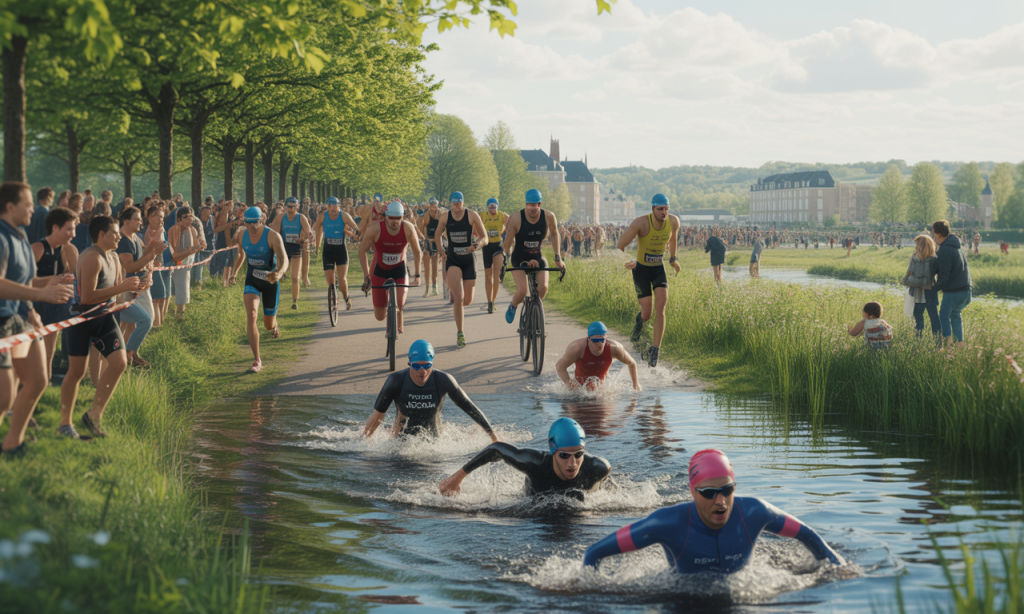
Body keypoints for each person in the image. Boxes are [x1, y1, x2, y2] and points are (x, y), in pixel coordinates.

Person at [583, 449, 844, 573]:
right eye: (709, 493)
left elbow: (807, 534)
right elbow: (595, 552)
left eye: (728, 490)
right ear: (692, 492)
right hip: (684, 603)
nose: (721, 502)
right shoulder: (667, 523)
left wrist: (838, 566)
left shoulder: (755, 512)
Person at [0, 182, 75, 454]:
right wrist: (41, 294)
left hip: (20, 318)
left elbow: (25, 279)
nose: (34, 208)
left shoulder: (19, 235)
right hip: (2, 323)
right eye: (28, 204)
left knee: (38, 381)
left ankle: (12, 444)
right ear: (11, 207)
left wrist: (34, 303)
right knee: (4, 398)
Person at [59, 215, 143, 439]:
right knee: (77, 372)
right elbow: (87, 297)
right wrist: (121, 288)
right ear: (101, 234)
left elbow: (116, 289)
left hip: (105, 317)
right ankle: (65, 424)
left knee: (119, 363)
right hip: (82, 320)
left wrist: (136, 287)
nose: (118, 237)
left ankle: (94, 414)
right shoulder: (91, 257)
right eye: (115, 233)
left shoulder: (113, 257)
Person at [439, 417, 610, 502]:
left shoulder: (597, 468)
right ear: (553, 450)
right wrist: (456, 479)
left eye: (578, 454)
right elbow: (496, 449)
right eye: (564, 456)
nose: (572, 464)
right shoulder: (534, 463)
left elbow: (608, 486)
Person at [361, 340, 498, 440]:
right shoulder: (396, 381)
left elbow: (470, 408)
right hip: (402, 441)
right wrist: (363, 441)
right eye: (416, 366)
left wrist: (493, 437)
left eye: (427, 365)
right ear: (409, 364)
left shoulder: (444, 380)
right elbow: (377, 416)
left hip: (436, 440)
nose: (422, 371)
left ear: (432, 363)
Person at [616, 193, 681, 368]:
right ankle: (638, 326)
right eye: (660, 209)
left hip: (658, 269)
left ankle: (655, 349)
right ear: (653, 209)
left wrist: (673, 259)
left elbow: (673, 238)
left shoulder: (674, 221)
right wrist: (630, 260)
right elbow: (621, 245)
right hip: (641, 270)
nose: (664, 212)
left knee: (662, 306)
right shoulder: (640, 223)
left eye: (666, 209)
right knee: (647, 314)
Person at [228, 206, 289, 373]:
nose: (252, 227)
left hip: (270, 281)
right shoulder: (242, 234)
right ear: (244, 222)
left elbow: (284, 260)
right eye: (248, 223)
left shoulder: (272, 236)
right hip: (252, 279)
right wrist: (234, 274)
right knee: (251, 314)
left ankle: (274, 325)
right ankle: (257, 359)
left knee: (267, 325)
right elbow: (241, 255)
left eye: (255, 223)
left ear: (261, 220)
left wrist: (279, 273)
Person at [501, 188, 565, 325]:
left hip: (537, 256)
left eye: (534, 205)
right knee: (522, 291)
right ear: (526, 204)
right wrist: (506, 258)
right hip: (519, 257)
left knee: (543, 288)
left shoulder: (549, 216)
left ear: (539, 204)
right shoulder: (516, 218)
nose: (531, 208)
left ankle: (532, 311)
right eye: (529, 205)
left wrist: (558, 258)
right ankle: (513, 306)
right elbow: (507, 245)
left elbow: (554, 234)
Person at [358, 201, 421, 334]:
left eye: (398, 218)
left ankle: (398, 318)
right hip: (379, 271)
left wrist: (417, 275)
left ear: (402, 217)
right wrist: (366, 275)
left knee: (399, 302)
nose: (395, 221)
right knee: (379, 316)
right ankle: (389, 315)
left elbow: (417, 251)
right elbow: (362, 250)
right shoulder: (375, 228)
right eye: (391, 218)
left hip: (399, 269)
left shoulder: (408, 228)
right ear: (386, 216)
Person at [31, 207, 79, 382]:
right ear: (55, 228)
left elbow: (76, 280)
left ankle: (45, 382)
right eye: (69, 229)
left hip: (57, 303)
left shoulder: (70, 250)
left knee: (49, 350)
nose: (73, 234)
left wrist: (69, 281)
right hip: (34, 305)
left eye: (74, 229)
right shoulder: (37, 248)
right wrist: (54, 279)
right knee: (31, 352)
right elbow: (23, 282)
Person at [434, 191, 487, 347]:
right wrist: (440, 250)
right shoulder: (445, 217)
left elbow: (485, 236)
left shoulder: (472, 215)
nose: (457, 206)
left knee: (467, 300)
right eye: (454, 203)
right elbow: (437, 234)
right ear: (450, 203)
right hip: (453, 258)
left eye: (459, 203)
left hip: (469, 258)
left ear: (463, 202)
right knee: (459, 297)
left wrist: (479, 244)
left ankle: (458, 302)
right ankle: (460, 333)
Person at [116, 205, 162, 368]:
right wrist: (153, 253)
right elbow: (131, 267)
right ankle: (129, 354)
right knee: (145, 320)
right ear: (126, 221)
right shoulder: (122, 241)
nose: (140, 221)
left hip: (137, 287)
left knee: (134, 323)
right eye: (136, 219)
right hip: (124, 290)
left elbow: (144, 261)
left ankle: (129, 355)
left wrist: (148, 274)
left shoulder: (136, 237)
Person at [555, 321, 641, 391]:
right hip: (581, 389)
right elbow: (560, 367)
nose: (599, 344)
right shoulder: (577, 348)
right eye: (596, 340)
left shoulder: (615, 348)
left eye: (602, 340)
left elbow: (632, 363)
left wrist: (636, 384)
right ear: (589, 339)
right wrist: (571, 386)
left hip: (601, 389)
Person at [313, 196, 358, 310]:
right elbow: (316, 230)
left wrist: (356, 234)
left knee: (342, 279)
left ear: (339, 206)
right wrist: (317, 247)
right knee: (330, 280)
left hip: (341, 250)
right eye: (330, 206)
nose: (333, 208)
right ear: (327, 207)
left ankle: (346, 297)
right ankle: (334, 298)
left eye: (335, 205)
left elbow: (355, 227)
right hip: (328, 250)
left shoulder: (344, 215)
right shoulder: (323, 216)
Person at [931, 220, 972, 346]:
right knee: (955, 315)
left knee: (943, 315)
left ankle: (948, 346)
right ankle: (960, 345)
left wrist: (932, 288)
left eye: (933, 234)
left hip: (954, 291)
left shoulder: (944, 250)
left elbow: (944, 277)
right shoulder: (957, 246)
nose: (933, 237)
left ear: (938, 234)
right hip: (966, 290)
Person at [271, 197, 312, 311]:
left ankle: (294, 301)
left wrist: (304, 240)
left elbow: (309, 233)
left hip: (296, 248)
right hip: (283, 248)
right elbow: (275, 234)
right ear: (285, 207)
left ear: (297, 207)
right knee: (277, 274)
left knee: (295, 277)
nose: (291, 209)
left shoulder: (301, 218)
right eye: (289, 207)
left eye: (293, 207)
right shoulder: (280, 217)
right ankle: (273, 299)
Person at [167, 205, 202, 321]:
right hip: (177, 263)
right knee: (178, 288)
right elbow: (174, 252)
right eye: (185, 217)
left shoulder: (192, 229)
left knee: (184, 287)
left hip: (187, 263)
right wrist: (189, 251)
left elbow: (196, 245)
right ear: (179, 219)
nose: (189, 219)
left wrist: (200, 245)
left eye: (190, 216)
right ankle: (177, 314)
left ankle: (180, 312)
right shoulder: (174, 229)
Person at [902, 235, 939, 339]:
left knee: (933, 317)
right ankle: (919, 340)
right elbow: (911, 273)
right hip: (918, 293)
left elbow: (925, 280)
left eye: (917, 245)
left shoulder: (932, 260)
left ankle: (937, 341)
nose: (915, 247)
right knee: (918, 317)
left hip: (928, 292)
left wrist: (909, 280)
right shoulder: (916, 257)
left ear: (922, 246)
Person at [480, 198, 507, 314]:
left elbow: (510, 225)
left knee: (496, 276)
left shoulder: (502, 215)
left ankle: (493, 302)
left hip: (497, 246)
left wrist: (502, 232)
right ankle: (489, 301)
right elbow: (475, 224)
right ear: (487, 207)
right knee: (487, 277)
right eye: (490, 207)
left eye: (495, 207)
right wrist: (480, 235)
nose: (493, 209)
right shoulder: (482, 215)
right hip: (486, 246)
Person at [416, 197, 443, 296]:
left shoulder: (441, 214)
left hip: (437, 240)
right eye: (432, 206)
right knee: (427, 264)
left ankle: (435, 286)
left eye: (435, 206)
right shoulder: (425, 215)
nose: (433, 208)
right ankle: (427, 287)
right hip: (427, 240)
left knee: (435, 263)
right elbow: (419, 228)